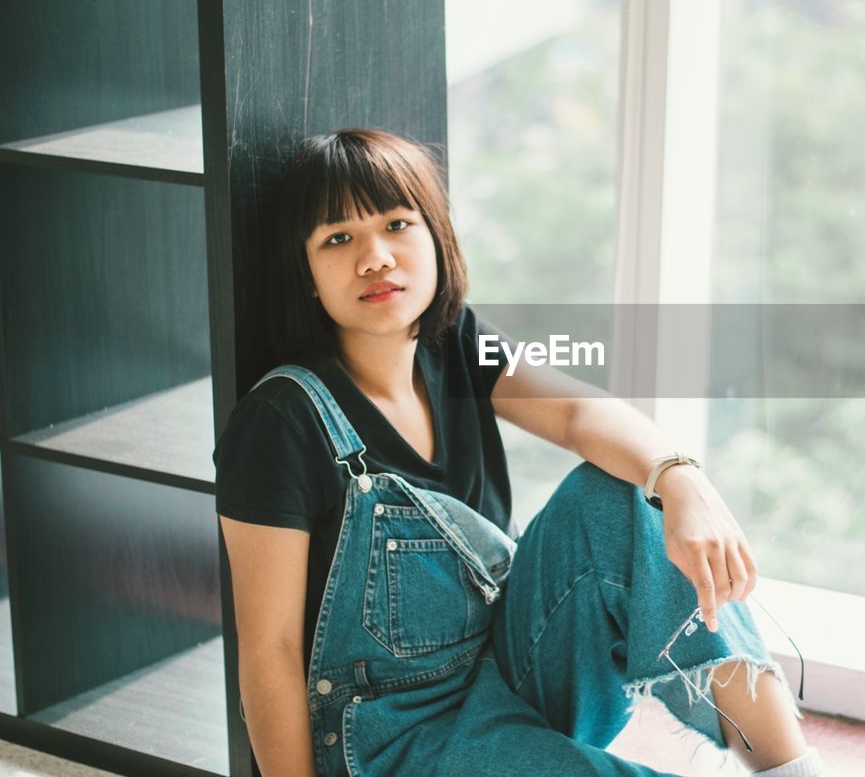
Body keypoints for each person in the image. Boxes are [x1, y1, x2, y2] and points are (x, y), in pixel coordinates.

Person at [213, 128, 823, 776]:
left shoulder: (453, 341)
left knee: (619, 494)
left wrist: (681, 480)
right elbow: (269, 651)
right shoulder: (280, 421)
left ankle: (794, 769)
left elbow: (578, 410)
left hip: (506, 671)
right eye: (338, 238)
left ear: (436, 238)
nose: (375, 257)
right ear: (305, 274)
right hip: (393, 741)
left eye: (397, 224)